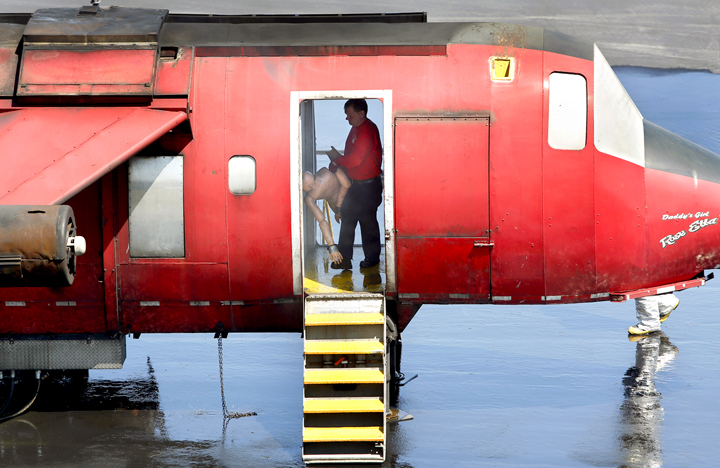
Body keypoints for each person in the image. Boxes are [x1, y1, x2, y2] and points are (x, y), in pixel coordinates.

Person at [326, 99, 383, 270]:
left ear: (361, 114)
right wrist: (340, 162)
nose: (347, 119)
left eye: (349, 115)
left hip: (368, 186)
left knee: (368, 223)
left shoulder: (366, 130)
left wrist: (337, 162)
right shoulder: (357, 128)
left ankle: (372, 259)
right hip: (355, 185)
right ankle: (344, 259)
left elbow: (356, 159)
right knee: (348, 219)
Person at [303, 167, 351, 265]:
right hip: (344, 205)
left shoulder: (327, 171)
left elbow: (322, 221)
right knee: (349, 227)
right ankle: (345, 260)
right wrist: (332, 246)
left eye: (314, 182)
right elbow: (322, 221)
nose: (315, 186)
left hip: (343, 204)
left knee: (349, 228)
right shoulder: (327, 170)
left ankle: (345, 259)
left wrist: (332, 246)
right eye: (310, 186)